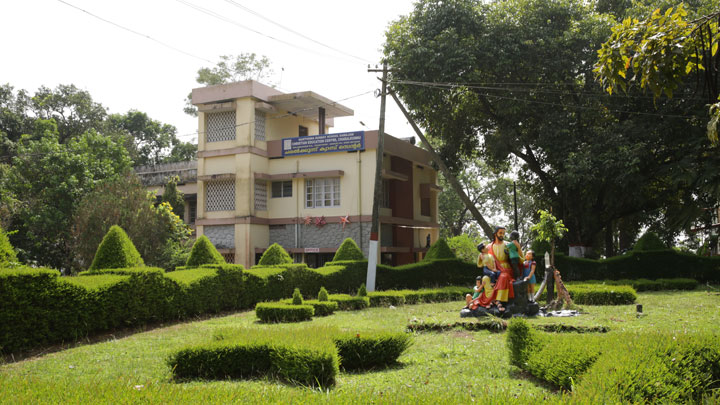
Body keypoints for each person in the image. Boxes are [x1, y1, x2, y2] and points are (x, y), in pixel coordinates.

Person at [487, 225, 514, 305]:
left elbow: (515, 259)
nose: (502, 235)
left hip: (506, 269)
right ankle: (488, 299)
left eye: (503, 233)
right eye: (500, 233)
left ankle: (498, 299)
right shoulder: (489, 246)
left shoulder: (508, 245)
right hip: (494, 269)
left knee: (503, 276)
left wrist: (510, 254)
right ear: (495, 234)